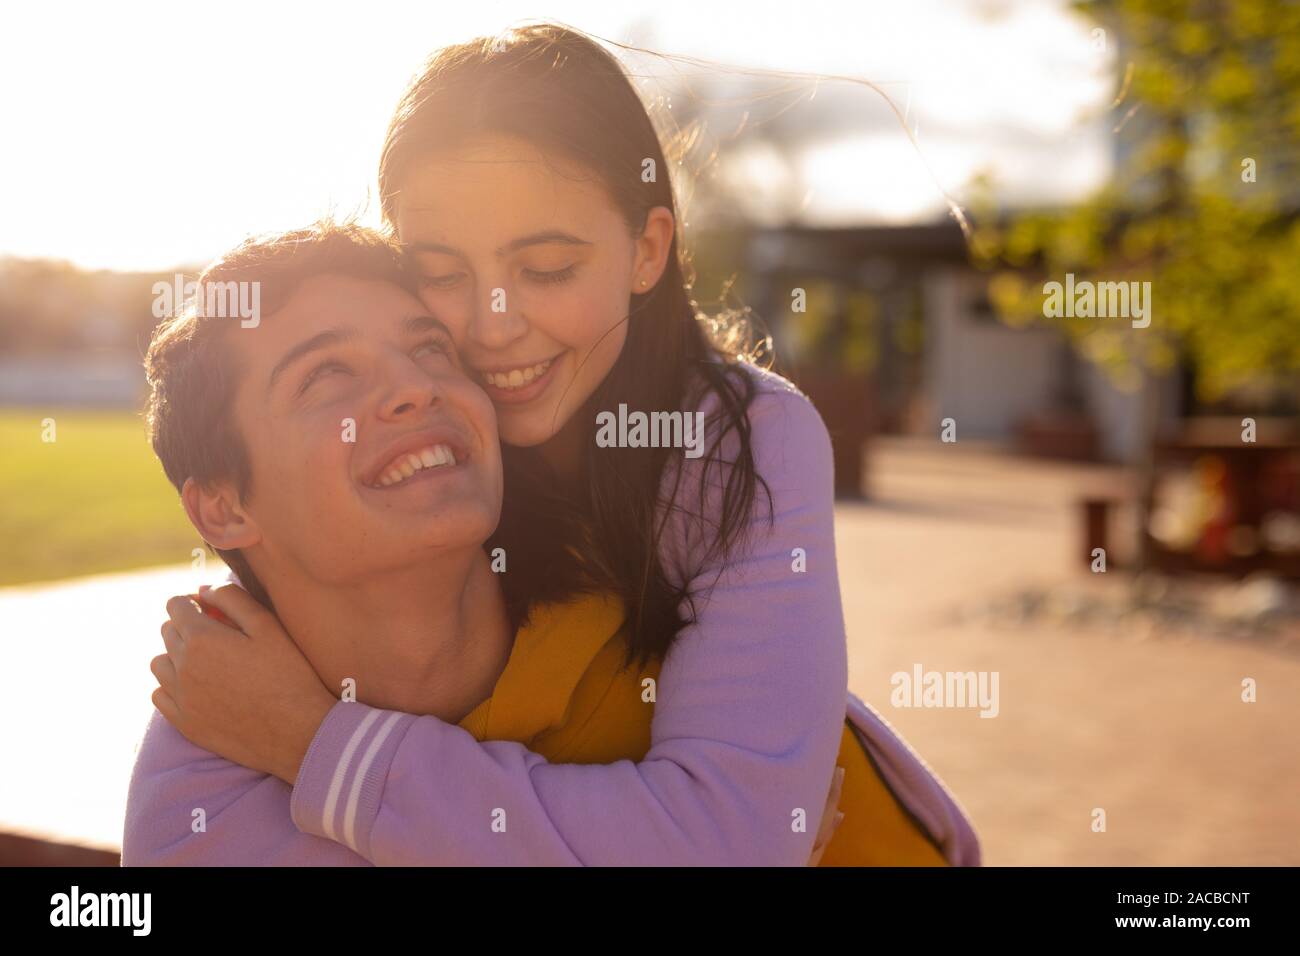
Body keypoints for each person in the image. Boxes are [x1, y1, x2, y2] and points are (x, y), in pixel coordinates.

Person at [147, 25, 980, 866]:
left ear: (646, 252)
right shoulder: (402, 490)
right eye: (441, 273)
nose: (492, 327)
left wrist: (312, 739)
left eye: (546, 268)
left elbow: (736, 840)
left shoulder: (735, 442)